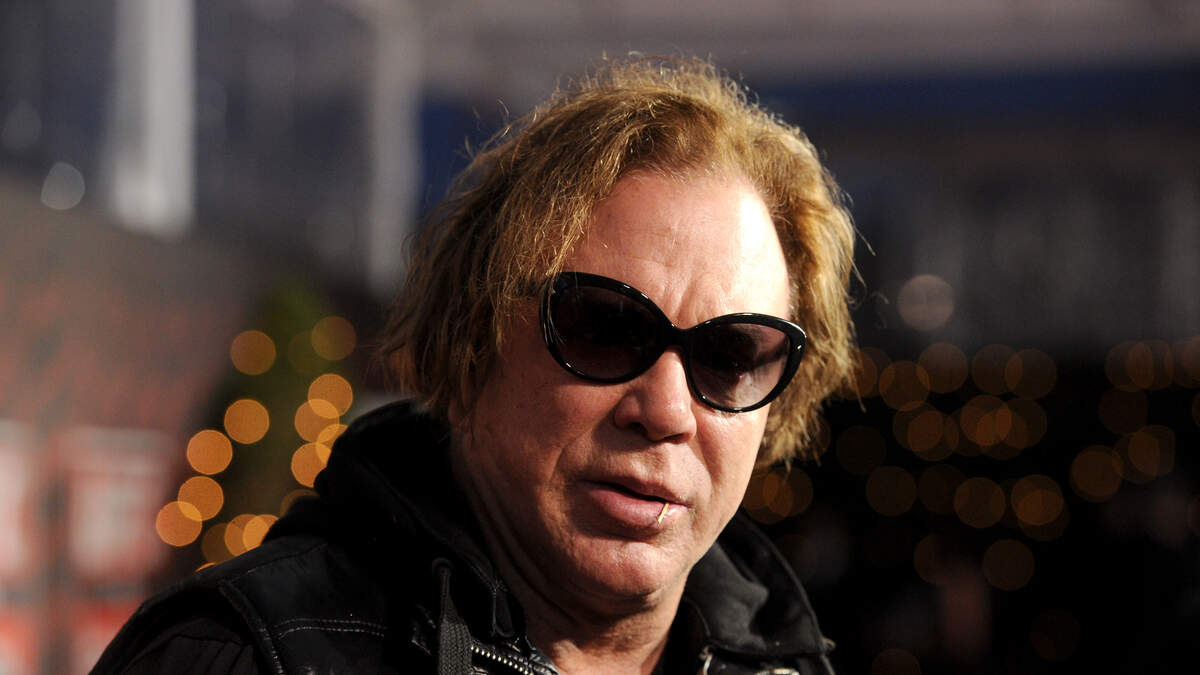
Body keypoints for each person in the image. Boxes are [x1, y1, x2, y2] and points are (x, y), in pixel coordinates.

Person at [94, 56, 857, 674]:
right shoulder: (240, 656)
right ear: (474, 335)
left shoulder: (788, 663)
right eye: (603, 328)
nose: (665, 409)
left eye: (729, 355)